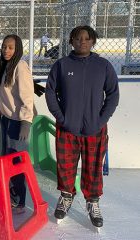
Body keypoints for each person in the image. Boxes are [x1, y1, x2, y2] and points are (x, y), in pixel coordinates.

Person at [45, 25, 119, 228]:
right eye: (77, 39)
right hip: (68, 128)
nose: (82, 42)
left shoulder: (103, 66)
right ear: (71, 41)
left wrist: (101, 120)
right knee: (65, 165)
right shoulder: (61, 65)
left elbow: (112, 94)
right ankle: (66, 196)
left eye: (87, 38)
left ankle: (92, 201)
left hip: (95, 129)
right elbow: (50, 92)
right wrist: (62, 118)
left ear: (93, 41)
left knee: (93, 168)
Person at [0, 34, 35, 214]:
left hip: (18, 121)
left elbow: (27, 96)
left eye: (10, 47)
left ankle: (20, 201)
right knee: (9, 158)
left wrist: (26, 122)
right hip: (7, 119)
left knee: (16, 160)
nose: (6, 50)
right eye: (4, 47)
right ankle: (13, 193)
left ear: (17, 48)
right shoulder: (6, 66)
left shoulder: (20, 66)